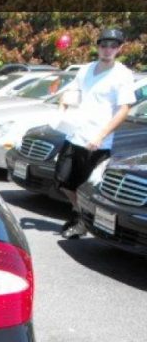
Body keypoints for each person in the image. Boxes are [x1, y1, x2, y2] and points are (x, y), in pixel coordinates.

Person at [55, 28, 136, 239]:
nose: (108, 49)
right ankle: (80, 214)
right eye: (104, 45)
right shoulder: (86, 69)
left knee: (86, 186)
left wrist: (101, 135)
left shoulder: (123, 75)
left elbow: (124, 109)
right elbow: (74, 92)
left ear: (120, 49)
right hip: (75, 134)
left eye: (113, 46)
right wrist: (63, 105)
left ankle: (81, 221)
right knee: (63, 180)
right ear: (98, 46)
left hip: (98, 141)